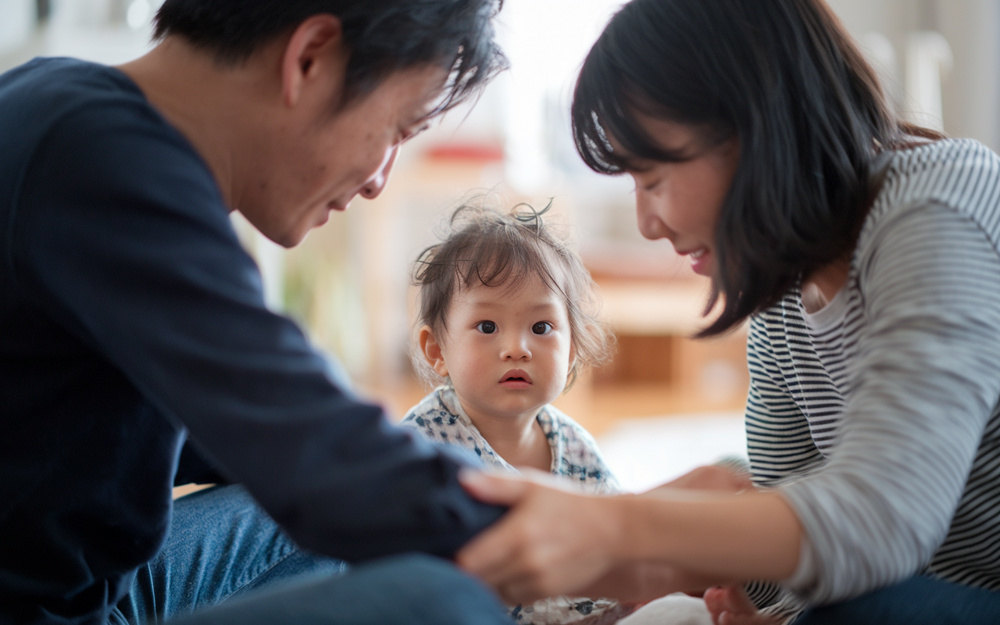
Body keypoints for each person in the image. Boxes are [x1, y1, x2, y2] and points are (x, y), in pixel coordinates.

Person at [452, 1, 1000, 624]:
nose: (646, 222)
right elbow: (807, 561)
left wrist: (618, 527)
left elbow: (879, 522)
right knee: (726, 489)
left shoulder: (938, 210)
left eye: (654, 178)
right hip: (905, 583)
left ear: (758, 127)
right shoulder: (780, 297)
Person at [0, 1, 514, 624]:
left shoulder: (53, 98)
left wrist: (367, 451)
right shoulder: (105, 164)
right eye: (395, 131)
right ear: (309, 58)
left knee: (319, 512)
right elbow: (312, 454)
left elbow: (113, 425)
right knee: (443, 602)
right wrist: (594, 530)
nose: (380, 178)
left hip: (78, 586)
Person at [401, 200, 632, 624]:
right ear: (437, 351)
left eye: (541, 328)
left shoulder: (577, 448)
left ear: (574, 349)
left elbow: (613, 549)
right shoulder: (422, 443)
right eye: (487, 327)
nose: (517, 348)